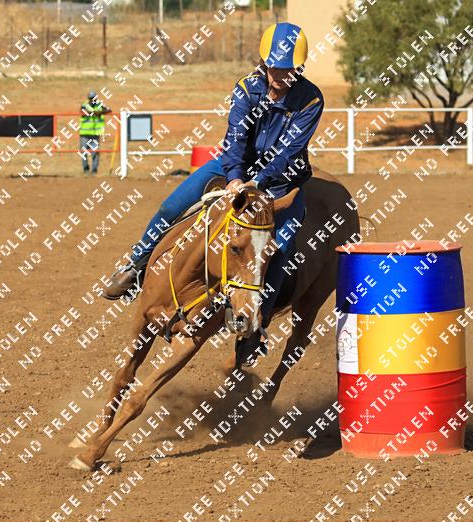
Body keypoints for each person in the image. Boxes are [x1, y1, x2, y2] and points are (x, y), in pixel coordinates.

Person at [103, 22, 324, 353]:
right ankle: (135, 266)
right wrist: (235, 177)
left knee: (281, 246)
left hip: (282, 179)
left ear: (300, 68)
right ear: (264, 63)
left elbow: (289, 151)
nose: (281, 75)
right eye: (275, 67)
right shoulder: (246, 89)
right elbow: (235, 137)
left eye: (289, 69)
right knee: (171, 206)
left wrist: (257, 182)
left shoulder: (311, 100)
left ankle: (255, 326)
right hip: (234, 165)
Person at [79, 90, 111, 175]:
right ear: (88, 98)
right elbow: (83, 112)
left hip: (95, 133)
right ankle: (86, 169)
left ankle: (94, 170)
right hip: (85, 133)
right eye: (91, 98)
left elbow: (108, 110)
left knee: (95, 152)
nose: (92, 99)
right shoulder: (84, 105)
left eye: (94, 98)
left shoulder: (100, 105)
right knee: (83, 152)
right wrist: (94, 113)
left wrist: (99, 112)